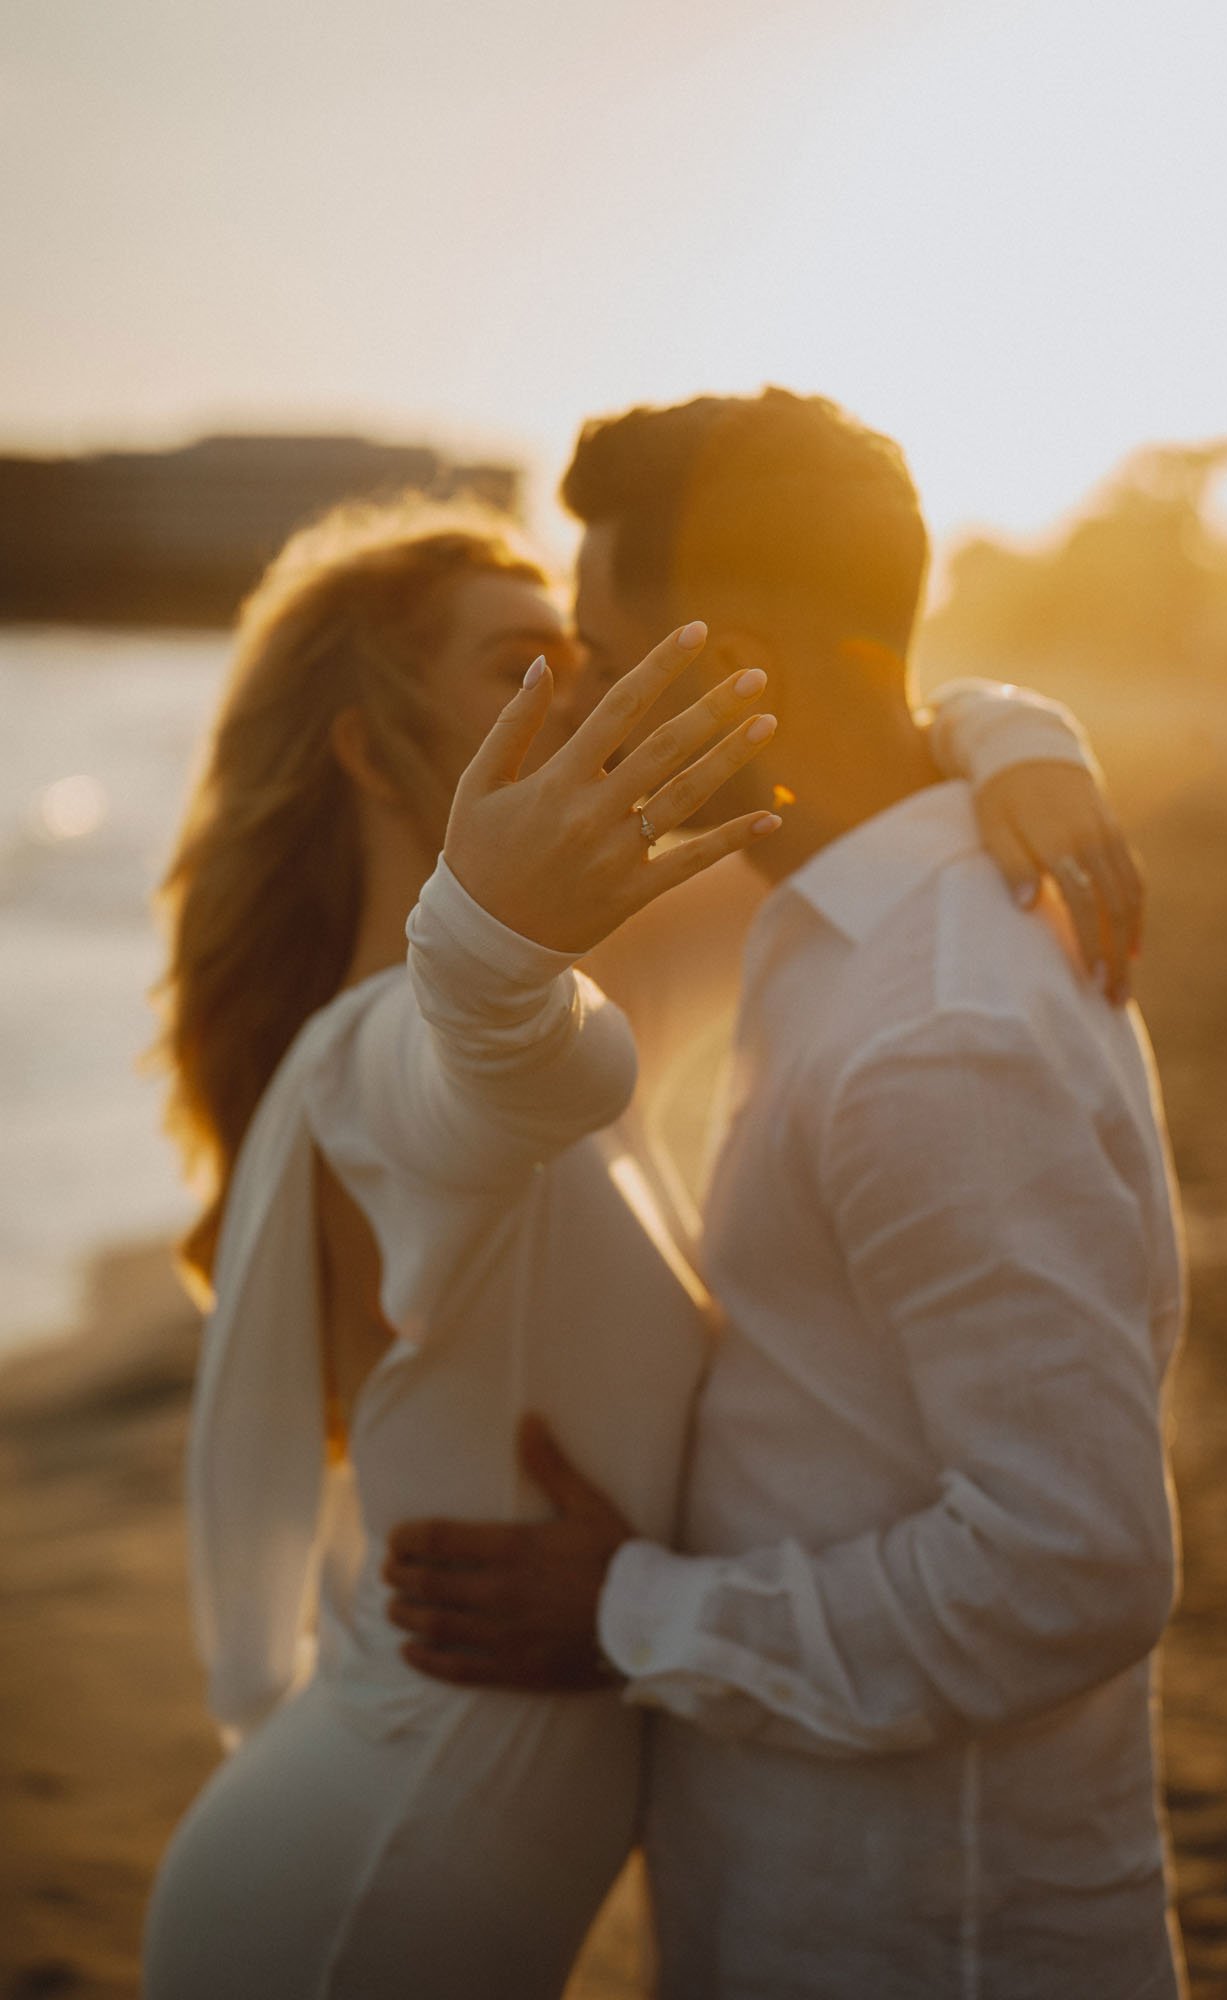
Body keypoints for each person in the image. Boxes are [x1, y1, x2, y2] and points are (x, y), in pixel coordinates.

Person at [142, 491, 1123, 1997]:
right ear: (366, 746)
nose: (593, 690)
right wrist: (483, 945)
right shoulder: (378, 1060)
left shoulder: (582, 976)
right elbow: (493, 1066)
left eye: (585, 649)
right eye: (522, 663)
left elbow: (860, 831)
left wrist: (1013, 728)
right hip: (360, 1892)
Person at [386, 391, 1186, 1999]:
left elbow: (1077, 1565)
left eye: (611, 669)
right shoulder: (857, 916)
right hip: (823, 1876)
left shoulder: (939, 1033)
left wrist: (630, 1611)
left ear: (740, 658)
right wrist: (1006, 717)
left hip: (923, 1926)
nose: (580, 726)